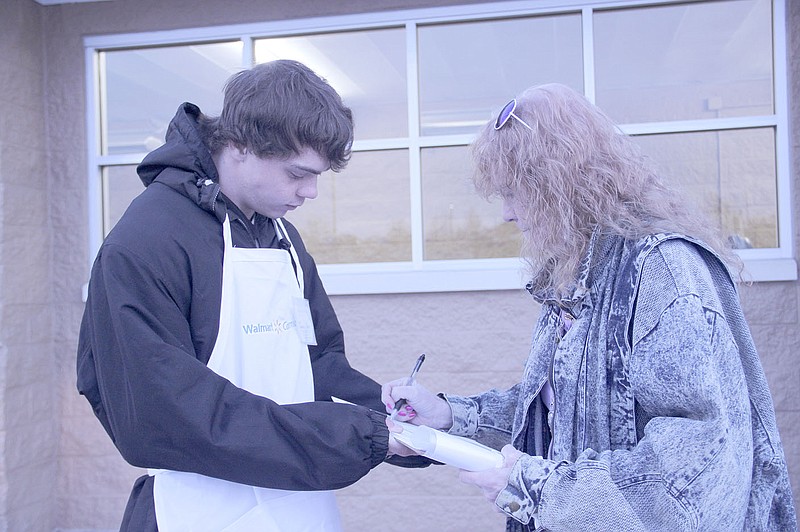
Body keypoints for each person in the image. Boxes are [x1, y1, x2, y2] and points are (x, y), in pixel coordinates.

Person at [383, 83, 797, 531]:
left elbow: (693, 465)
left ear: (557, 182)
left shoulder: (662, 270)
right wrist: (448, 416)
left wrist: (537, 487)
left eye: (513, 191)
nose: (505, 213)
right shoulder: (575, 274)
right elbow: (551, 418)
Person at [77, 59, 417, 532]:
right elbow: (166, 410)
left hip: (300, 507)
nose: (312, 191)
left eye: (318, 175)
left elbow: (317, 366)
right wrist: (359, 437)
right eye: (298, 173)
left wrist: (396, 420)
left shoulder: (281, 238)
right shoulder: (145, 242)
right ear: (239, 145)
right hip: (196, 511)